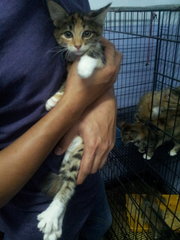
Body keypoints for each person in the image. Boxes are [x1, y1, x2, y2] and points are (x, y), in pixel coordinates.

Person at [0, 0, 121, 240]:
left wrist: (106, 99)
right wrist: (74, 103)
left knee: (101, 223)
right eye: (68, 35)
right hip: (29, 208)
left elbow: (101, 57)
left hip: (89, 179)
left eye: (83, 35)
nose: (76, 44)